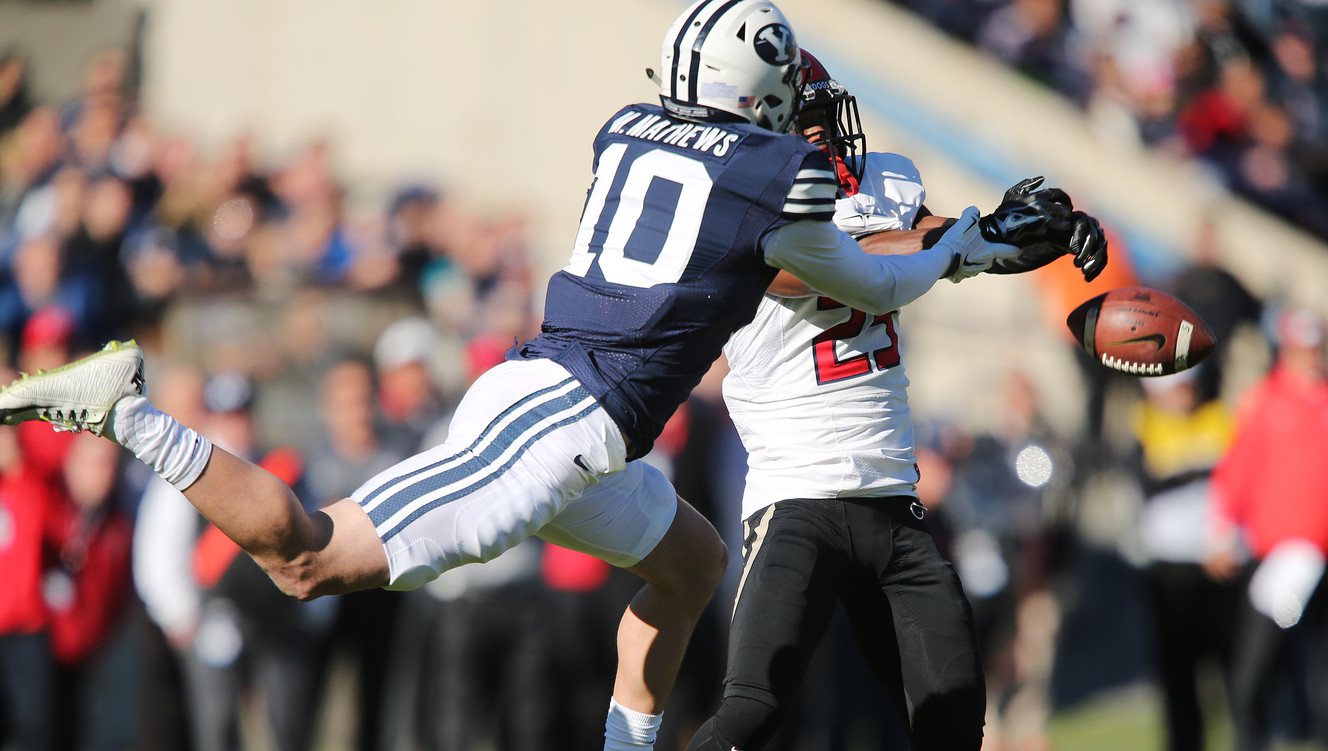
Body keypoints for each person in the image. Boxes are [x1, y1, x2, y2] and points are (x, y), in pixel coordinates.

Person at [0, 3, 1085, 747]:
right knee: (308, 558)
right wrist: (976, 241)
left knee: (688, 562)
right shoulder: (771, 176)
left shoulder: (628, 126)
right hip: (552, 428)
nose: (798, 103)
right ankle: (130, 413)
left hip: (558, 400)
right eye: (784, 86)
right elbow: (869, 278)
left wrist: (964, 238)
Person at [686, 50, 1105, 751]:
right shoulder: (737, 207)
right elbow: (854, 264)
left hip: (894, 504)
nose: (823, 139)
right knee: (750, 714)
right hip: (797, 501)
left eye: (825, 122)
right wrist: (971, 235)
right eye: (804, 126)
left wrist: (1043, 233)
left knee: (951, 723)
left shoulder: (887, 185)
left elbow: (962, 245)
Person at [1206, 306, 1328, 751]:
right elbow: (1236, 474)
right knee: (1257, 667)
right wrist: (1221, 531)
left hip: (1321, 559)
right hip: (1281, 560)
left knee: (1315, 671)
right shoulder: (1264, 403)